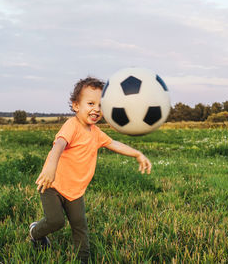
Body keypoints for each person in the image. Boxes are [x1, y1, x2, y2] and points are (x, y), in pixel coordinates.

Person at [29, 77, 152, 263]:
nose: (96, 109)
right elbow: (58, 145)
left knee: (80, 227)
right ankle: (35, 232)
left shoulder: (96, 133)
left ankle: (83, 260)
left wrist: (137, 154)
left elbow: (114, 143)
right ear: (76, 106)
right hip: (52, 184)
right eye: (91, 103)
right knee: (56, 221)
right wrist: (50, 168)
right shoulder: (72, 126)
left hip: (75, 192)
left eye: (101, 105)